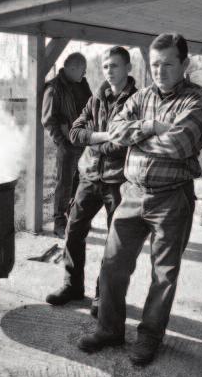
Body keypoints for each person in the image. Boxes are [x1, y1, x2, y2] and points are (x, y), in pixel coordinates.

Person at [77, 33, 202, 366]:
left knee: (163, 274)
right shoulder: (140, 96)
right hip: (132, 193)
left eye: (168, 64)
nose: (160, 70)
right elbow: (115, 131)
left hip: (172, 198)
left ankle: (150, 337)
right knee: (112, 266)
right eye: (155, 64)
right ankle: (109, 329)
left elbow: (180, 145)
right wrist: (153, 126)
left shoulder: (198, 100)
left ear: (185, 64)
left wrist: (137, 139)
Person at [45, 46, 137, 316]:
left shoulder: (139, 100)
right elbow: (75, 132)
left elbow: (125, 142)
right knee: (73, 229)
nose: (109, 71)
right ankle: (73, 286)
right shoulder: (97, 96)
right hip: (89, 175)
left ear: (128, 68)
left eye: (115, 66)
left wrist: (97, 138)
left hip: (118, 181)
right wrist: (104, 136)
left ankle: (103, 296)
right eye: (106, 66)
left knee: (114, 242)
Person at [41, 52, 92, 238]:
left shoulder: (82, 84)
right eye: (83, 69)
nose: (85, 73)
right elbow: (48, 120)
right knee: (64, 184)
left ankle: (73, 219)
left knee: (81, 183)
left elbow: (91, 108)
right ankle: (59, 224)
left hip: (83, 143)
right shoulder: (54, 88)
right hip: (67, 146)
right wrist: (63, 144)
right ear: (72, 68)